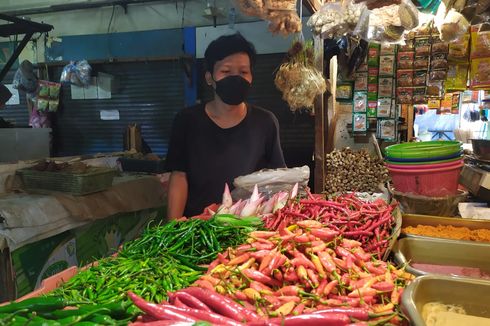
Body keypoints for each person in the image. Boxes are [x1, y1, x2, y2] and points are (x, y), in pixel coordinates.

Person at [165, 33, 286, 219]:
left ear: (251, 77)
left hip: (248, 227)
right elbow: (179, 176)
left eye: (243, 72)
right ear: (209, 78)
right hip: (198, 226)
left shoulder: (266, 122)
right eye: (226, 71)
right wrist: (172, 225)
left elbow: (278, 180)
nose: (236, 78)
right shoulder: (186, 120)